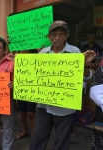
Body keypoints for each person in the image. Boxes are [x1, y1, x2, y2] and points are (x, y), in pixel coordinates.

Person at [29, 20, 96, 150]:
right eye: (54, 34)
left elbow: (86, 77)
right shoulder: (43, 54)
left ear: (67, 36)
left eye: (61, 34)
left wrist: (86, 65)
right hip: (44, 105)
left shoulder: (75, 52)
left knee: (61, 141)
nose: (57, 38)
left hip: (65, 107)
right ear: (49, 37)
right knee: (38, 138)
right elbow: (34, 75)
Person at [15, 49, 37, 140]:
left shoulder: (36, 52)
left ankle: (34, 136)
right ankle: (25, 131)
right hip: (21, 86)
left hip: (33, 86)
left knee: (31, 113)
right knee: (22, 111)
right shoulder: (16, 53)